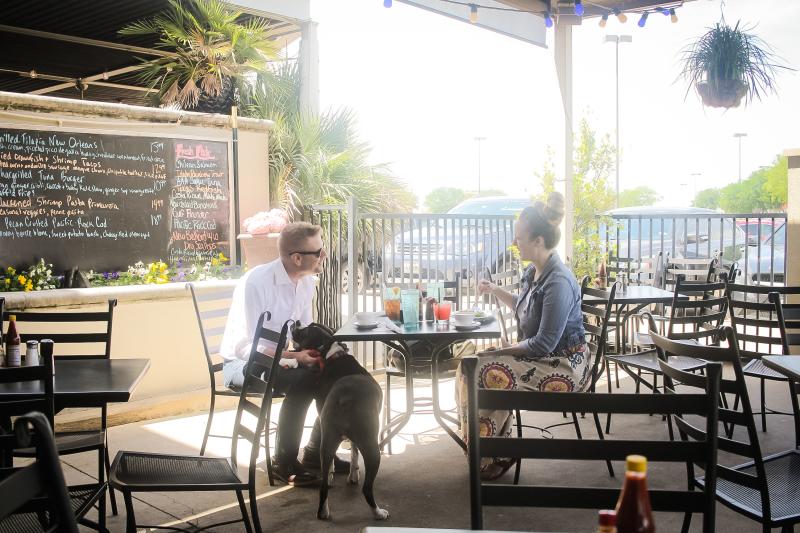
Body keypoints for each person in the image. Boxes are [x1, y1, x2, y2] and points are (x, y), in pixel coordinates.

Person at [457, 192, 591, 480]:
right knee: (470, 365)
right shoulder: (535, 272)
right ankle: (486, 449)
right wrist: (495, 290)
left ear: (538, 241)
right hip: (544, 358)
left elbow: (544, 342)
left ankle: (493, 452)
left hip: (565, 365)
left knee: (488, 368)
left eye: (518, 237)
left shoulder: (559, 282)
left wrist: (500, 353)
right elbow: (525, 305)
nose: (513, 243)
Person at [220, 221, 345, 486]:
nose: (324, 256)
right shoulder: (256, 283)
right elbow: (246, 346)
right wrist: (296, 358)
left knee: (333, 375)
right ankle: (283, 462)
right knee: (303, 382)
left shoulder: (307, 281)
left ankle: (315, 452)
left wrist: (318, 355)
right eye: (319, 252)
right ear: (297, 257)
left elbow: (303, 331)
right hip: (241, 364)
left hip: (281, 358)